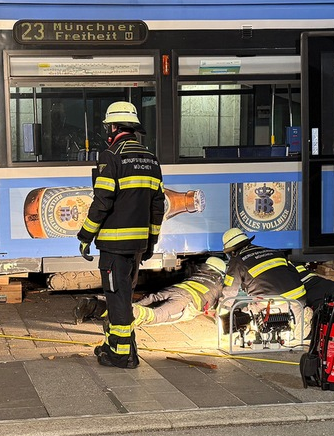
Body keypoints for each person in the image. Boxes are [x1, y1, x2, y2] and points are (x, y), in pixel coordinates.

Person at [77, 101, 166, 369]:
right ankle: (122, 348)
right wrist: (151, 241)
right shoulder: (151, 159)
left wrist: (85, 235)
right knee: (124, 296)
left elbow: (103, 201)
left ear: (113, 127)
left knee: (116, 298)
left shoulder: (111, 156)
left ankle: (120, 354)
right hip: (138, 245)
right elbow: (157, 206)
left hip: (115, 246)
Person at [74, 257, 227, 327]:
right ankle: (119, 317)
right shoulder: (220, 283)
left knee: (137, 304)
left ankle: (95, 304)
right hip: (185, 303)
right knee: (152, 316)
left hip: (174, 290)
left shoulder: (199, 273)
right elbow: (225, 305)